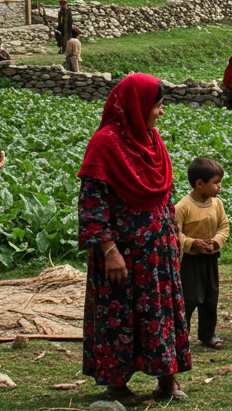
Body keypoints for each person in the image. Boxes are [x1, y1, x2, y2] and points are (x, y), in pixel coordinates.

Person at [77, 73, 190, 402]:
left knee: (162, 312)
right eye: (157, 105)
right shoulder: (105, 145)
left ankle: (167, 381)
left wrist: (174, 229)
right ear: (137, 106)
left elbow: (163, 190)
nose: (161, 112)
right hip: (122, 254)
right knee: (119, 315)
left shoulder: (152, 141)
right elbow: (92, 207)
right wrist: (110, 250)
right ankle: (117, 385)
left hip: (158, 253)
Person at [176, 157, 230, 350]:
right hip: (190, 261)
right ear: (200, 184)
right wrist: (192, 243)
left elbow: (224, 227)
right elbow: (175, 233)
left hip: (210, 259)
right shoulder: (183, 206)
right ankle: (181, 338)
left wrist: (216, 242)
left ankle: (208, 335)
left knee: (210, 298)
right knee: (189, 300)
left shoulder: (217, 204)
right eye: (216, 183)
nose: (219, 186)